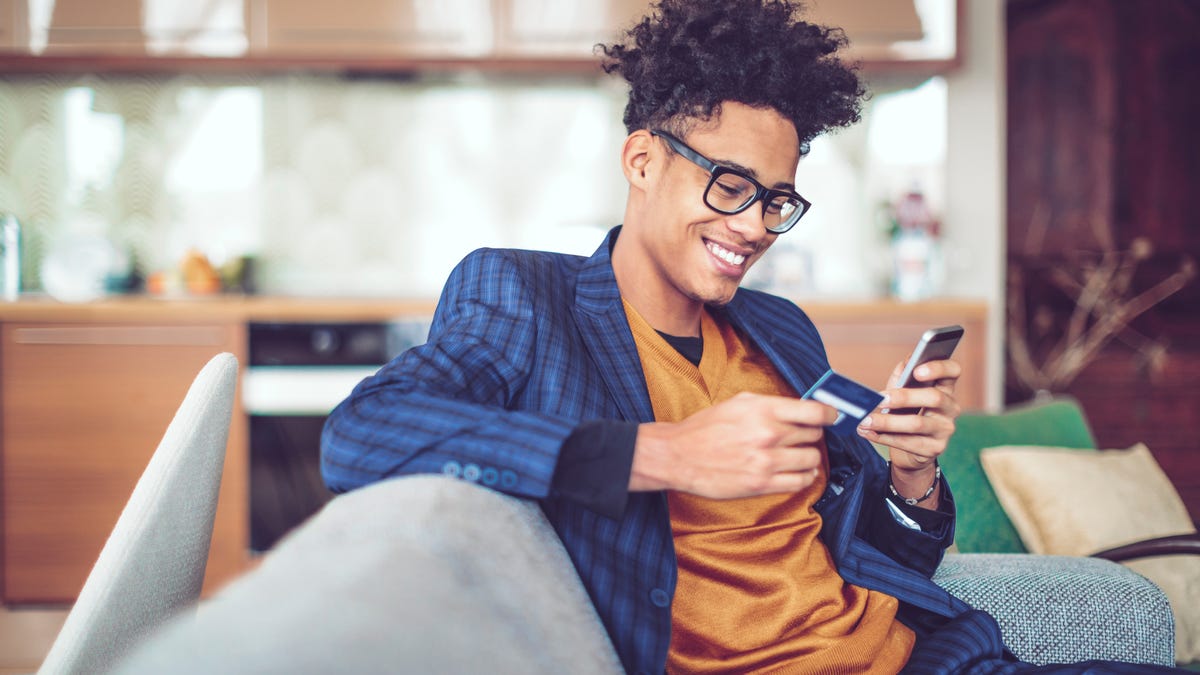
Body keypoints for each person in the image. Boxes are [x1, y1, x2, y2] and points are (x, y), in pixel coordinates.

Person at [321, 1, 1179, 673]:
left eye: (778, 199)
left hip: (943, 658)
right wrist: (663, 454)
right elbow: (364, 433)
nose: (758, 225)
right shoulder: (524, 296)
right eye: (731, 184)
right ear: (642, 162)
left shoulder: (778, 330)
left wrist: (912, 479)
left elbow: (875, 555)